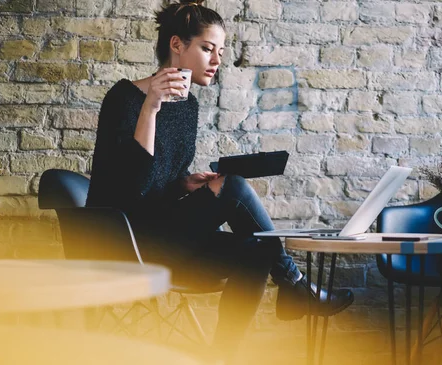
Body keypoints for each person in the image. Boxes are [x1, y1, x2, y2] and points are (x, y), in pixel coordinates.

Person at [86, 0, 354, 362]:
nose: (216, 61)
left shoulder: (188, 106)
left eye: (221, 52)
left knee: (257, 249)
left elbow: (159, 185)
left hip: (169, 236)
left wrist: (185, 184)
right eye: (207, 49)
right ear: (177, 45)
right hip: (126, 239)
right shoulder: (125, 98)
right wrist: (151, 106)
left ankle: (223, 355)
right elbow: (130, 189)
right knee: (236, 186)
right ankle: (294, 284)